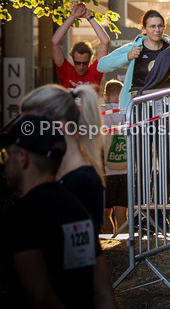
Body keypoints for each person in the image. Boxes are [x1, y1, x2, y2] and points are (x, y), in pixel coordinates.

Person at [0, 113, 115, 309]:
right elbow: (102, 289)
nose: (3, 162)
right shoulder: (77, 209)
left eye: (5, 154)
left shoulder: (22, 215)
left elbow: (40, 295)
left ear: (22, 158)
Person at [21, 83, 106, 236]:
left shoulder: (80, 183)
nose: (26, 137)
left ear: (58, 127)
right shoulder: (66, 176)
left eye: (31, 128)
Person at [97, 9, 170, 107]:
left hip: (167, 107)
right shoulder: (135, 47)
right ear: (144, 29)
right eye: (152, 26)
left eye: (160, 26)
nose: (157, 30)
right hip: (139, 107)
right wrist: (127, 56)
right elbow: (101, 66)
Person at [51, 0, 110, 91]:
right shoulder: (66, 71)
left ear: (90, 59)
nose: (81, 67)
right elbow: (54, 42)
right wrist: (73, 16)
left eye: (85, 63)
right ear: (73, 60)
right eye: (78, 63)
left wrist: (89, 17)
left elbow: (105, 42)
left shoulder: (95, 71)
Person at [102, 79, 128, 236]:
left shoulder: (101, 113)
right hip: (126, 169)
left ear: (105, 95)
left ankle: (108, 239)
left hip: (106, 170)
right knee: (122, 214)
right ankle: (123, 246)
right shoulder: (128, 112)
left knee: (104, 213)